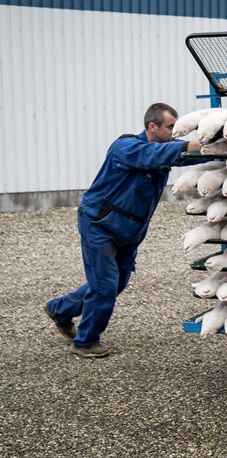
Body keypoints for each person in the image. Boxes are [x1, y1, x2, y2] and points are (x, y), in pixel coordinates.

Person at [45, 103, 203, 358]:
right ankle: (85, 342)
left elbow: (182, 155)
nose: (177, 132)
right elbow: (155, 155)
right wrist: (189, 146)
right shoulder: (125, 147)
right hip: (100, 224)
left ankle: (60, 310)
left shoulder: (162, 151)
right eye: (171, 127)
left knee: (116, 283)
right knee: (105, 285)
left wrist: (219, 150)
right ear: (152, 127)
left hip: (129, 230)